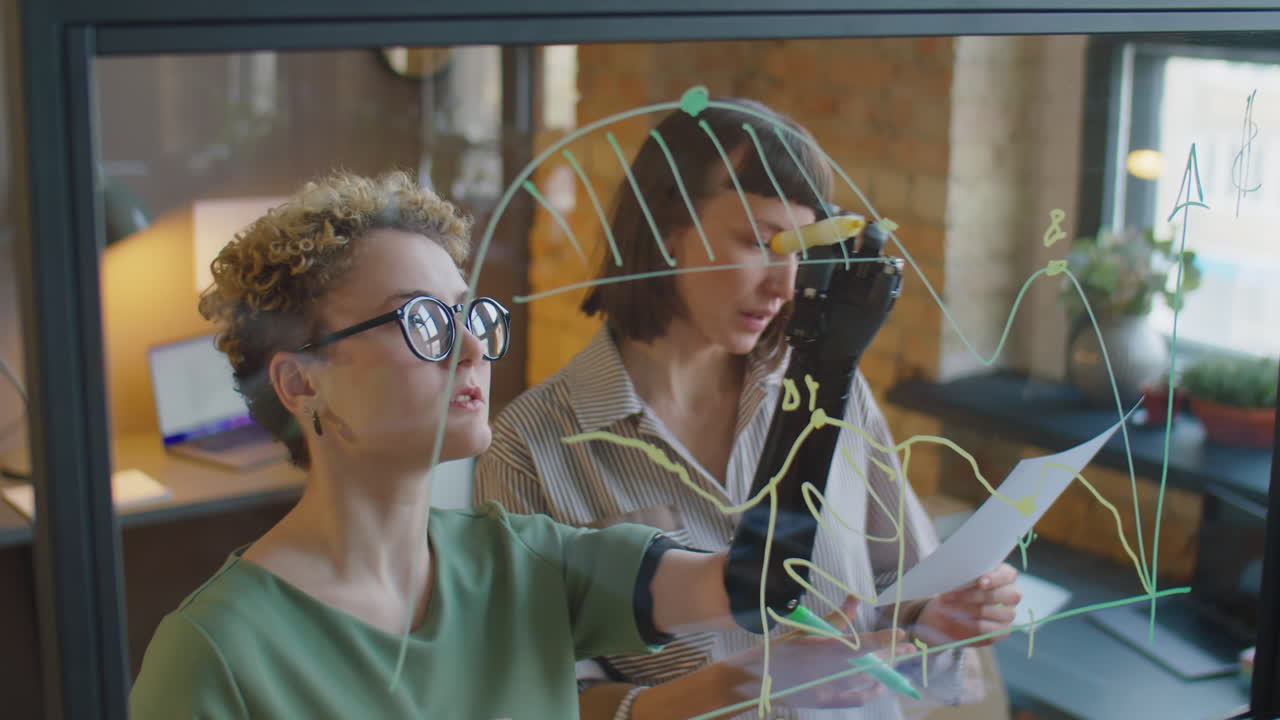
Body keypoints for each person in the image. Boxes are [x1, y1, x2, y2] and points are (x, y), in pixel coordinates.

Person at [129, 170, 913, 719]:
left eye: (469, 314)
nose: (474, 349)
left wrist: (825, 358)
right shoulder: (216, 654)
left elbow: (761, 585)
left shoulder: (522, 562)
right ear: (301, 384)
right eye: (423, 322)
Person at [475, 99, 1021, 719]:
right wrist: (742, 684)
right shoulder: (529, 446)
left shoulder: (824, 385)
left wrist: (941, 619)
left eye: (800, 250)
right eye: (760, 242)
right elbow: (538, 699)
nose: (784, 285)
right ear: (665, 228)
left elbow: (905, 589)